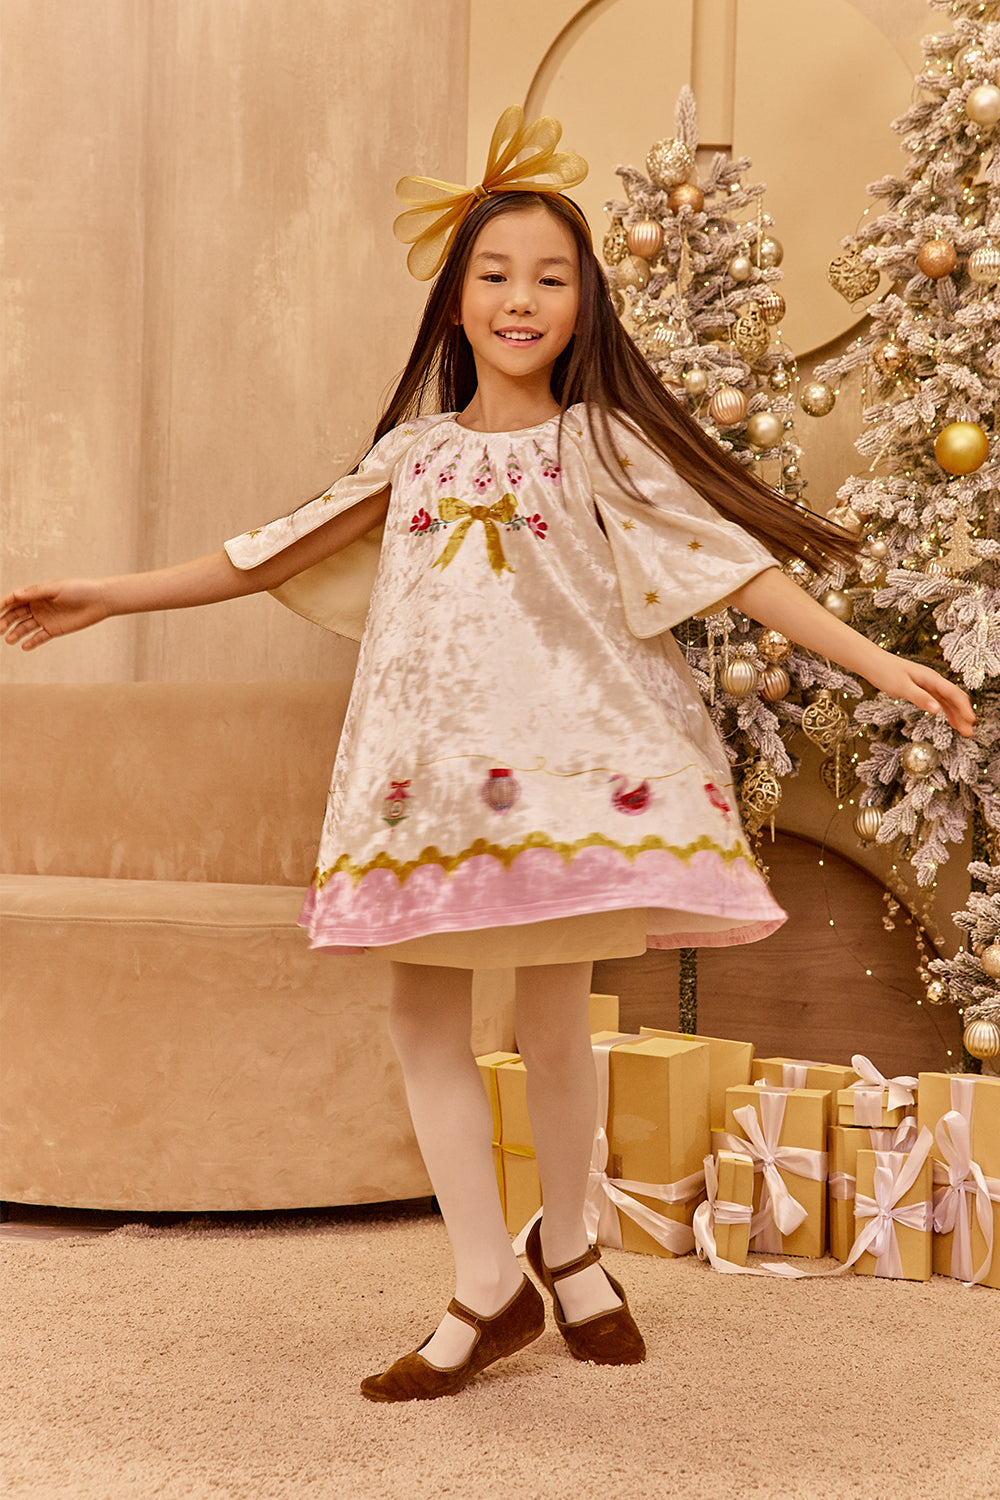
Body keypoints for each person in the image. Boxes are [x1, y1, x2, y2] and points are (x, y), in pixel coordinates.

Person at [1, 107, 976, 1402]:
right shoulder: (411, 457)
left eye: (551, 277)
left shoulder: (602, 446)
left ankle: (571, 1253)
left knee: (559, 1020)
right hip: (425, 789)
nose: (522, 298)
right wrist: (110, 598)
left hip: (561, 783)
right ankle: (489, 1279)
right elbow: (263, 551)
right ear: (456, 301)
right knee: (425, 1019)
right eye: (495, 274)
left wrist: (870, 657)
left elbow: (731, 568)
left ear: (587, 306)